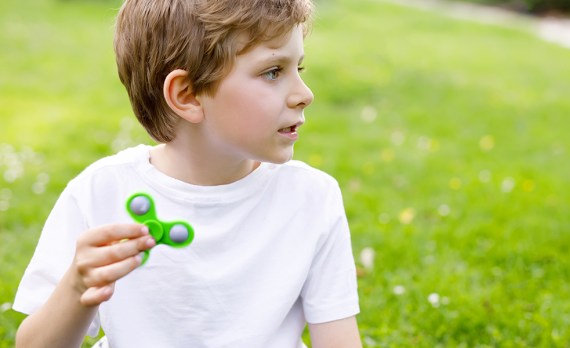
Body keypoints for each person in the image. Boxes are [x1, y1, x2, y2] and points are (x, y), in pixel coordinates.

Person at [12, 0, 362, 347]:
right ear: (188, 95)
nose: (305, 94)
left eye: (298, 69)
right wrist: (77, 287)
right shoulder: (101, 192)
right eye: (273, 72)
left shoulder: (311, 198)